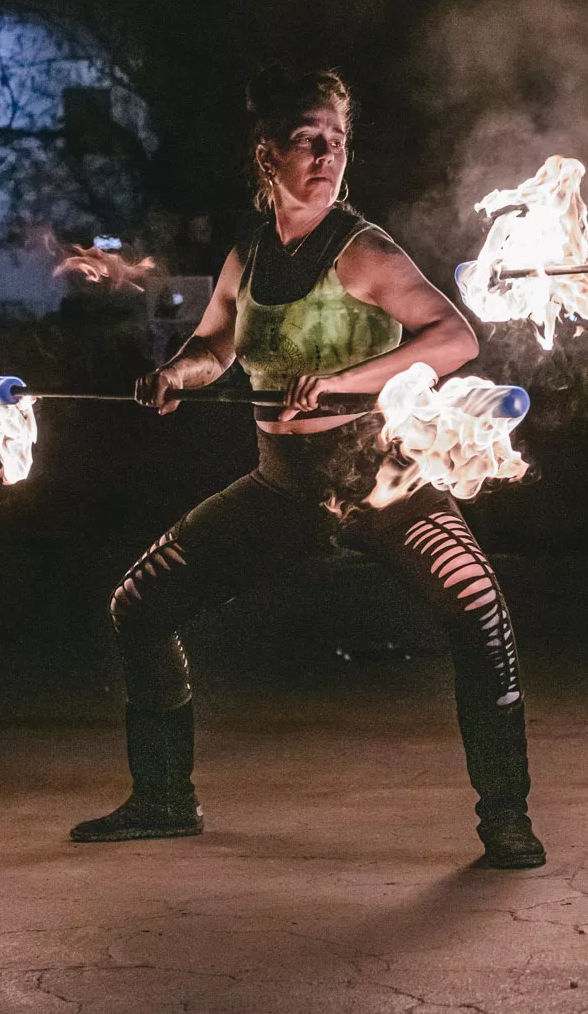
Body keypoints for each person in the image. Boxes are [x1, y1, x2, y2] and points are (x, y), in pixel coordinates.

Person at [70, 68, 546, 867]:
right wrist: (174, 377)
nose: (327, 155)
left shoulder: (362, 250)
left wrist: (341, 380)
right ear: (269, 159)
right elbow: (217, 344)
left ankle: (506, 814)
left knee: (480, 613)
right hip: (285, 485)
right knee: (138, 604)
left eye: (337, 142)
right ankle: (162, 797)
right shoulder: (248, 256)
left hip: (383, 481)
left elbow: (454, 338)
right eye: (308, 142)